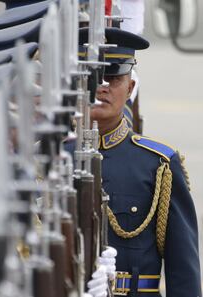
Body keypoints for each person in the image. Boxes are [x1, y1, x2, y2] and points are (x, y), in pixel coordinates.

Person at [66, 27, 201, 296]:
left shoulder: (158, 164)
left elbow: (183, 269)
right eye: (91, 77)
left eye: (113, 77)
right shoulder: (50, 162)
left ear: (130, 88)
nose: (102, 86)